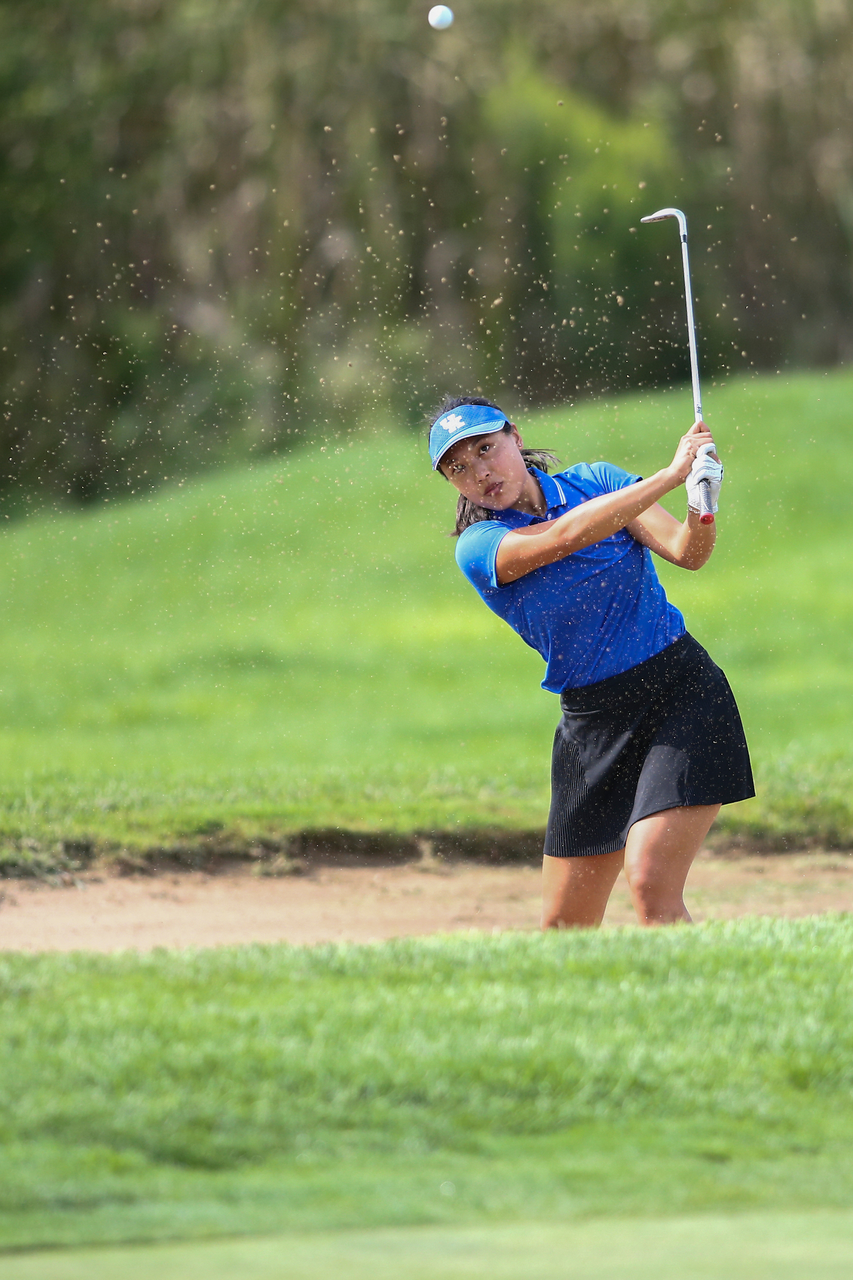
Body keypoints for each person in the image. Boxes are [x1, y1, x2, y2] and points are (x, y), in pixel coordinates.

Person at [428, 397, 754, 928]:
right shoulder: (479, 545)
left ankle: (698, 1007)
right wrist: (669, 476)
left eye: (487, 449)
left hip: (680, 691)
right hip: (593, 725)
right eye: (459, 468)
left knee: (650, 880)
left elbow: (688, 551)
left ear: (514, 436)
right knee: (565, 930)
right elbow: (563, 536)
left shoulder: (599, 481)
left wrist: (702, 502)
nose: (481, 472)